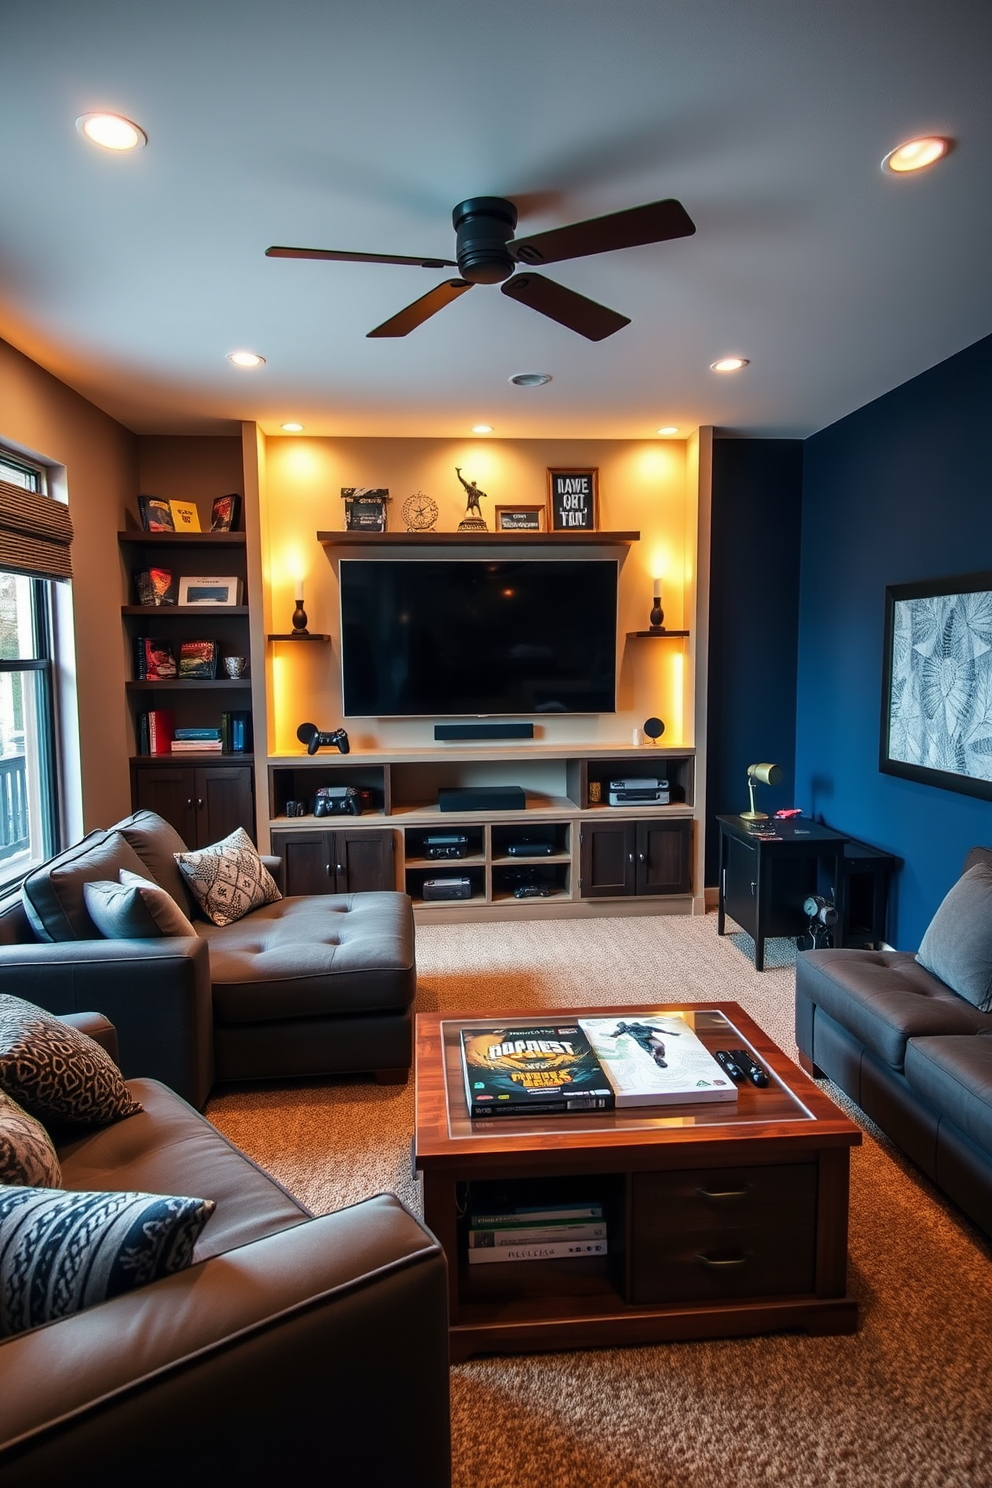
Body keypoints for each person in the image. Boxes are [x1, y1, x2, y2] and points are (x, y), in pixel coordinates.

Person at [605, 1020, 681, 1068]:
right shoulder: (630, 1028)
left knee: (658, 1047)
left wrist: (616, 1034)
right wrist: (669, 1033)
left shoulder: (628, 1027)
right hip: (643, 1038)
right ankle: (658, 1058)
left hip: (646, 1037)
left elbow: (621, 1030)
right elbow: (619, 1031)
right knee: (653, 1048)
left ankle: (659, 1057)